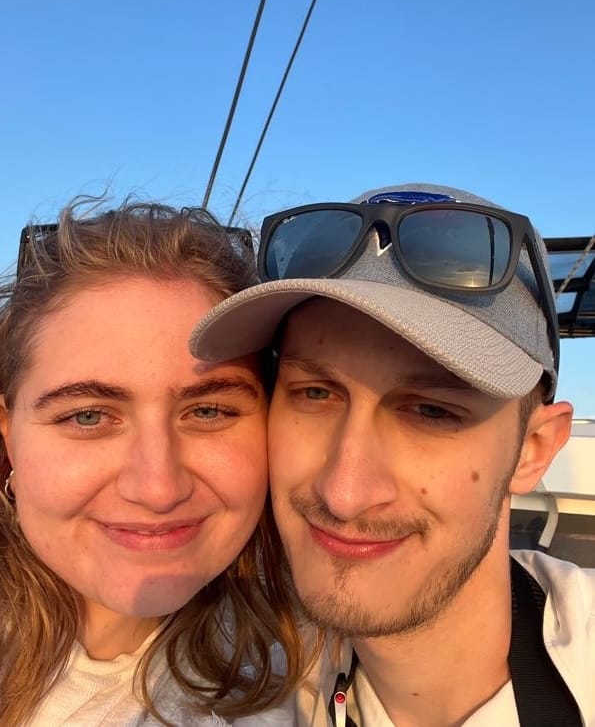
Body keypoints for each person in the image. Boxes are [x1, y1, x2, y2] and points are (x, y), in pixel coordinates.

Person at [191, 183, 595, 727]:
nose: (345, 493)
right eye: (315, 393)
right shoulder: (228, 672)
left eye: (431, 411)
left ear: (533, 449)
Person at [0, 197, 304, 727]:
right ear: (8, 436)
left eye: (208, 410)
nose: (157, 488)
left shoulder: (312, 667)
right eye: (87, 417)